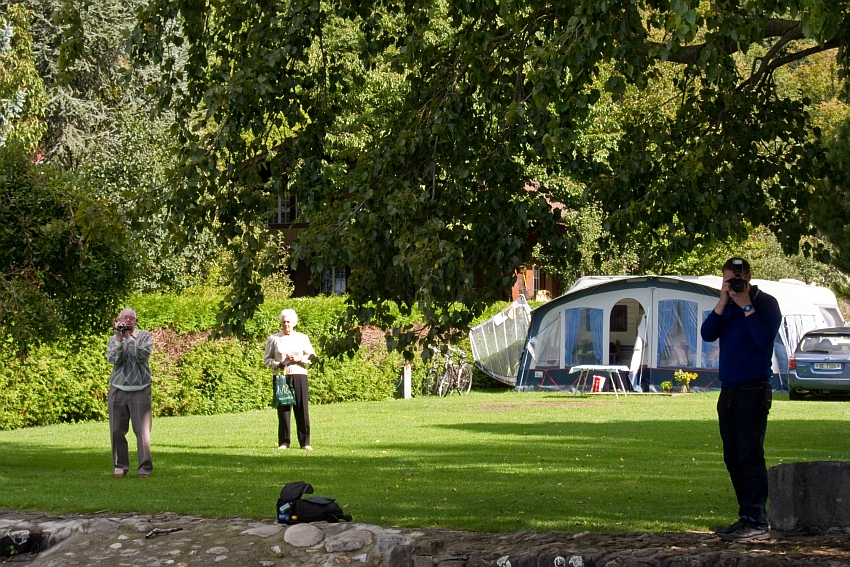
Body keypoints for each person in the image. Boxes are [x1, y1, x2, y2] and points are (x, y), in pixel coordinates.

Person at [700, 257, 781, 542]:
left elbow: (764, 338)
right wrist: (723, 302)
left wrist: (747, 304)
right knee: (733, 457)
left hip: (754, 389)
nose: (733, 285)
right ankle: (745, 516)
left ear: (747, 276)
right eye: (727, 280)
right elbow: (707, 334)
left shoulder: (766, 304)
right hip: (729, 390)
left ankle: (757, 520)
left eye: (737, 279)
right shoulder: (726, 305)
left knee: (750, 454)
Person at [106, 308, 154, 478]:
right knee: (116, 430)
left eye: (130, 318)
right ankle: (120, 466)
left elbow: (141, 356)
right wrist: (119, 340)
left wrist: (128, 338)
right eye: (123, 318)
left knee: (142, 432)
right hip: (118, 389)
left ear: (136, 321)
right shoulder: (114, 339)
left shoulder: (144, 336)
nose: (126, 321)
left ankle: (144, 469)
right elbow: (113, 360)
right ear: (118, 321)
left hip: (140, 389)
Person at [264, 309, 316, 450]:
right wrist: (278, 364)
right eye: (283, 322)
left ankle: (305, 442)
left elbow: (312, 356)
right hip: (282, 377)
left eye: (288, 322)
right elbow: (267, 359)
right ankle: (284, 442)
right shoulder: (274, 338)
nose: (286, 324)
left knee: (302, 409)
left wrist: (300, 359)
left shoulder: (302, 337)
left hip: (299, 375)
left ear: (294, 323)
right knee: (284, 410)